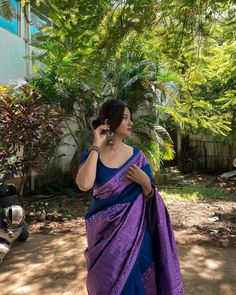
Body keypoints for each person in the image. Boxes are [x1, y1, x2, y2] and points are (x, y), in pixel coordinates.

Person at [76, 99, 184, 295]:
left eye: (130, 118)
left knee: (136, 283)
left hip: (137, 237)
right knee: (104, 284)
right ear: (109, 121)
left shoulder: (138, 157)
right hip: (103, 238)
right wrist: (95, 145)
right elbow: (84, 184)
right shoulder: (92, 154)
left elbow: (151, 198)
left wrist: (145, 183)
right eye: (124, 117)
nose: (130, 122)